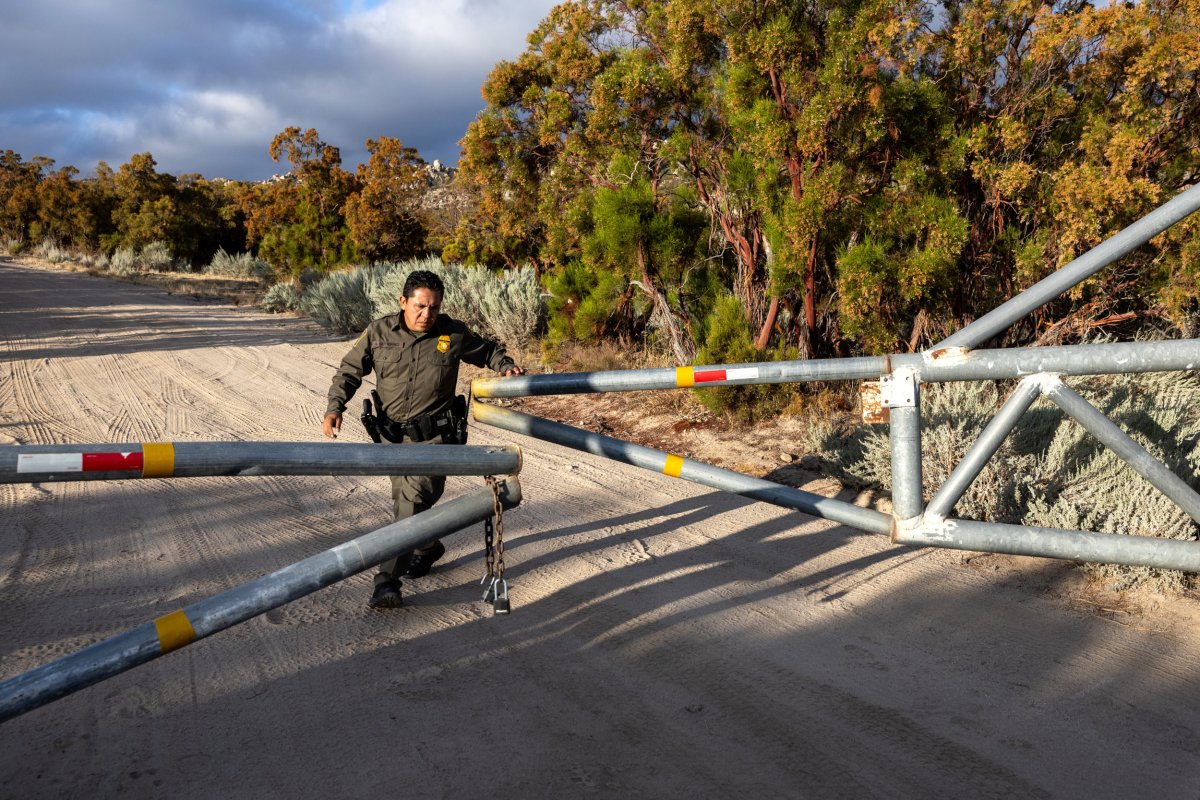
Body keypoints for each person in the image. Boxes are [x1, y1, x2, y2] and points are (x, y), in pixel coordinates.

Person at [322, 270, 524, 609]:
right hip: (391, 440)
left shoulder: (453, 333)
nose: (426, 314)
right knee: (405, 504)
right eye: (419, 306)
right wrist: (334, 407)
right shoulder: (379, 331)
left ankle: (387, 581)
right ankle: (428, 547)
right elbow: (349, 371)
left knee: (412, 502)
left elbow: (488, 350)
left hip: (435, 441)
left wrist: (505, 365)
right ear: (403, 302)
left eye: (433, 307)